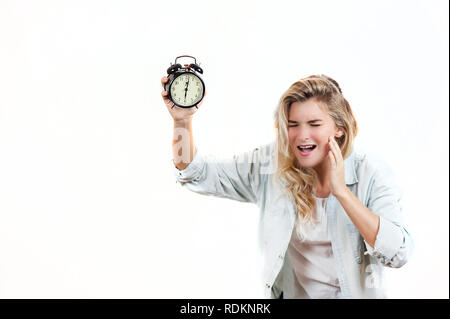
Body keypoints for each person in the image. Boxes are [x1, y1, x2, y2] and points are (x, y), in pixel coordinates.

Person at [161, 74, 413, 299]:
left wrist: (342, 193)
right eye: (293, 125)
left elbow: (398, 252)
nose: (302, 135)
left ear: (338, 128)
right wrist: (182, 121)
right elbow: (194, 172)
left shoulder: (371, 172)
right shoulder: (271, 165)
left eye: (314, 124)